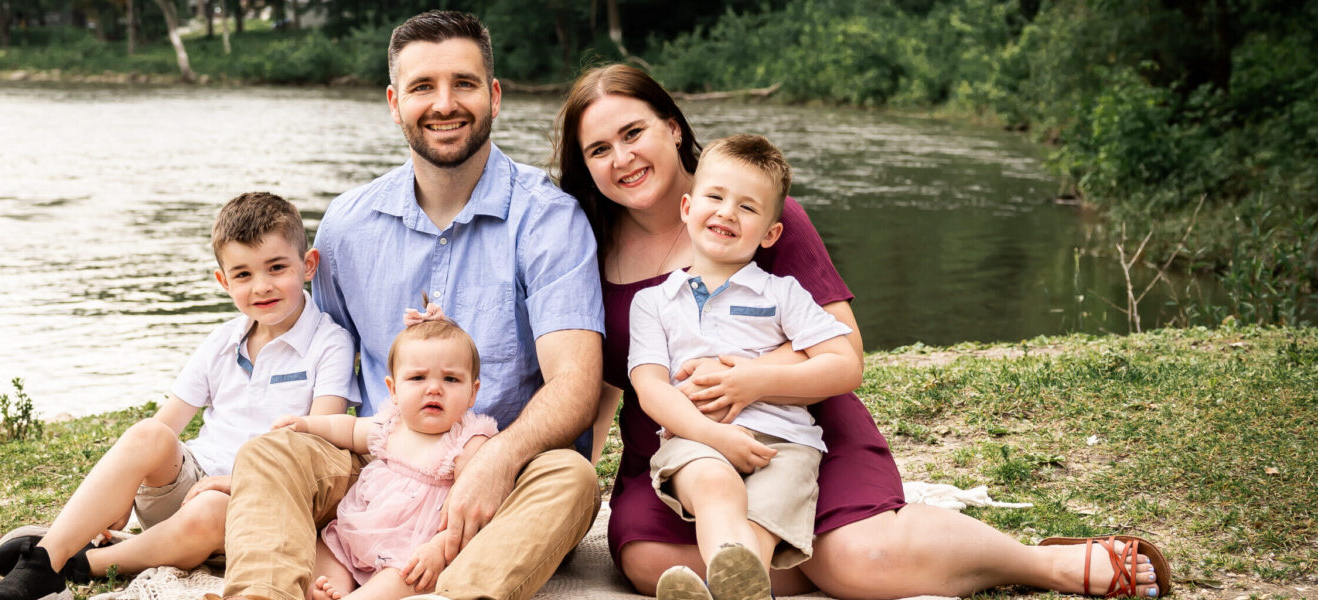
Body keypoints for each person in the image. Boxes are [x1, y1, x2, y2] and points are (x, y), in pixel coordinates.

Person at [553, 64, 1171, 599]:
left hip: (797, 421)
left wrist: (750, 379)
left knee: (859, 556)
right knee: (645, 562)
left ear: (673, 126)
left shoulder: (760, 212)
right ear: (584, 165)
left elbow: (843, 346)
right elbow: (605, 378)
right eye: (598, 149)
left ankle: (1046, 563)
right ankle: (780, 573)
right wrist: (575, 483)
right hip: (679, 442)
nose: (623, 157)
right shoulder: (583, 247)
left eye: (633, 132)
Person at [217, 10, 604, 600]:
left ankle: (456, 593)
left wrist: (497, 461)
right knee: (273, 453)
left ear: (494, 96)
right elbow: (317, 357)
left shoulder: (548, 219)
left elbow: (575, 386)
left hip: (501, 477)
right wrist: (241, 478)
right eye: (423, 86)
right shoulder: (347, 225)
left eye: (464, 84)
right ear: (395, 103)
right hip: (379, 466)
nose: (444, 103)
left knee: (572, 478)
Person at [0, 192, 359, 600]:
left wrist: (233, 485)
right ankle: (45, 560)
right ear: (223, 281)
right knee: (147, 434)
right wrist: (121, 492)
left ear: (308, 265)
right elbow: (166, 425)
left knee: (207, 511)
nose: (261, 286)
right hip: (188, 486)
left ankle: (83, 561)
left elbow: (317, 446)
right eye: (242, 274)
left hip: (263, 500)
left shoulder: (329, 343)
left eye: (276, 268)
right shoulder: (222, 340)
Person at [626, 135, 862, 600]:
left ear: (771, 233)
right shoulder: (653, 302)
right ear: (687, 207)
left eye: (747, 207)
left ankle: (720, 592)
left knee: (758, 528)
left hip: (785, 445)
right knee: (713, 486)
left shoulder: (782, 294)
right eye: (715, 197)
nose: (727, 212)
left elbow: (845, 366)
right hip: (696, 438)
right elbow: (651, 388)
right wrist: (713, 436)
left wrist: (756, 381)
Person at [275, 319, 499, 600]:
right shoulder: (391, 425)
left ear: (472, 393)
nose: (434, 389)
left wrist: (439, 548)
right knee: (328, 548)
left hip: (415, 546)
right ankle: (332, 587)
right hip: (361, 531)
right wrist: (307, 424)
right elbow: (349, 428)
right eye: (418, 378)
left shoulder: (468, 442)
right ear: (393, 389)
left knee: (405, 577)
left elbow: (469, 506)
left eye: (450, 379)